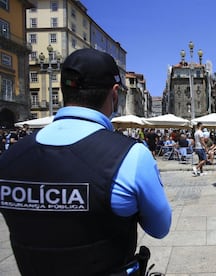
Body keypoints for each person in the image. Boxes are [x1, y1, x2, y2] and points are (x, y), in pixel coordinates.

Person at [0, 48, 172, 276]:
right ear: (114, 94)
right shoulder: (130, 155)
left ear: (63, 91)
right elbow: (160, 228)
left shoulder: (10, 157)